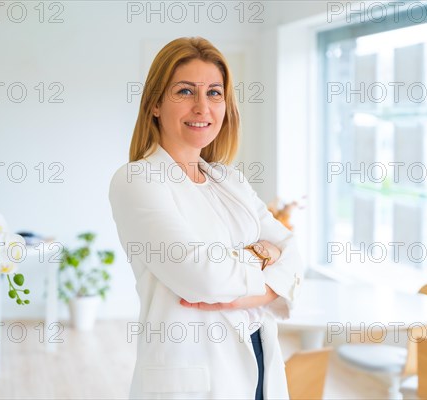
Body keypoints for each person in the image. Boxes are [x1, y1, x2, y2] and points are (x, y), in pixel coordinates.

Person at [109, 36, 303, 399]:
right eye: (185, 91)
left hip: (260, 358)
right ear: (154, 104)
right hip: (196, 374)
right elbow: (204, 278)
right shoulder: (136, 180)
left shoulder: (229, 180)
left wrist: (247, 282)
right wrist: (264, 258)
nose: (202, 107)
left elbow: (292, 253)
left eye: (214, 93)